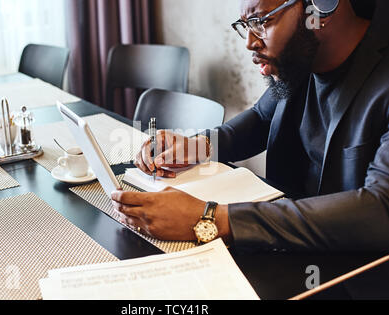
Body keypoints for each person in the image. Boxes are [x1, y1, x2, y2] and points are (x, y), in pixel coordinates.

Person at [112, 0, 389, 252]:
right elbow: (261, 118)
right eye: (246, 25)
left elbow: (379, 209)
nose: (249, 42)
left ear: (319, 8)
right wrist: (200, 145)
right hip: (289, 247)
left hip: (354, 269)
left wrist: (212, 218)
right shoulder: (302, 63)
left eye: (261, 21)